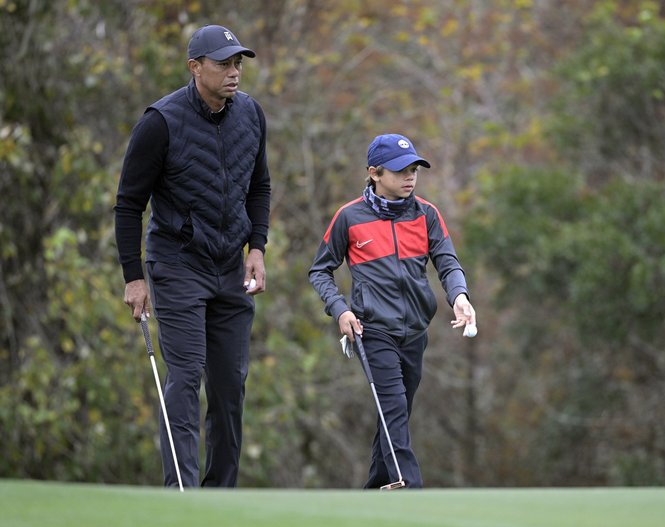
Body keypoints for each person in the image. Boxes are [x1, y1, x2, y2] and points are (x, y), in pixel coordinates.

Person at [114, 24, 271, 488]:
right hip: (178, 263)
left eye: (238, 62)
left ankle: (219, 496)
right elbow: (128, 203)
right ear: (195, 67)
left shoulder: (251, 115)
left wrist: (257, 246)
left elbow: (258, 185)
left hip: (229, 268)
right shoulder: (160, 122)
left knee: (229, 388)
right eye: (223, 63)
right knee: (185, 378)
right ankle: (181, 496)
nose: (234, 71)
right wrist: (133, 276)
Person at [308, 133, 477, 489]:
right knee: (394, 409)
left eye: (413, 169)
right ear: (374, 173)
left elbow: (447, 262)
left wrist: (459, 296)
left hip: (415, 331)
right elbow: (320, 270)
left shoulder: (427, 214)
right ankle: (409, 490)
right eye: (400, 171)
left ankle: (373, 493)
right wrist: (340, 310)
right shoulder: (349, 217)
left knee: (394, 415)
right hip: (372, 330)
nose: (409, 177)